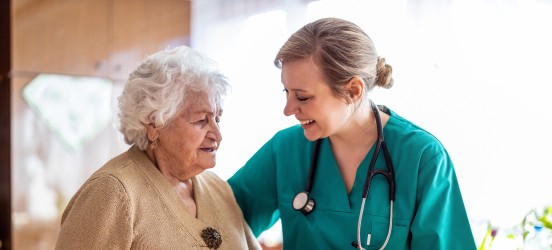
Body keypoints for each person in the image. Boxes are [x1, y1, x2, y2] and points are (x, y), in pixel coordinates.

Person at [228, 17, 476, 249]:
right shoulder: (285, 150)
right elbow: (218, 215)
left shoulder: (422, 158)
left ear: (354, 91)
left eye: (303, 96)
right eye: (286, 92)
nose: (288, 109)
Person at [55, 46, 261, 250]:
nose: (217, 135)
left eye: (217, 119)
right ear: (154, 124)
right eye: (201, 120)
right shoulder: (113, 192)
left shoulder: (218, 188)